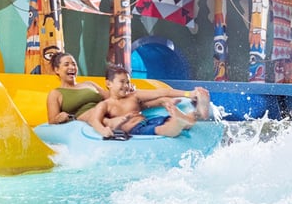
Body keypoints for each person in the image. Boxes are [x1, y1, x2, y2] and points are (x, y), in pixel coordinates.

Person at [46, 52, 211, 125]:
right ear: (56, 70)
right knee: (155, 100)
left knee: (150, 95)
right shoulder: (56, 94)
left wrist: (126, 89)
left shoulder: (89, 84)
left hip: (111, 107)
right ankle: (191, 114)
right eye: (66, 64)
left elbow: (108, 96)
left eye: (73, 64)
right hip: (93, 115)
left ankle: (192, 95)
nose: (72, 67)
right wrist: (58, 119)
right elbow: (52, 120)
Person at [88, 65, 209, 139]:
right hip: (135, 129)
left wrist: (189, 94)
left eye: (128, 82)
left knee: (169, 120)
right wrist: (103, 130)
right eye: (122, 82)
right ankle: (179, 123)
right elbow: (95, 120)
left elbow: (162, 92)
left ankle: (198, 112)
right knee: (161, 129)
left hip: (147, 121)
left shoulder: (133, 95)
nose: (126, 86)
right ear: (109, 83)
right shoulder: (105, 105)